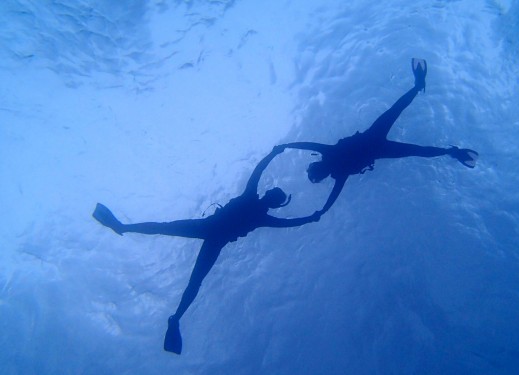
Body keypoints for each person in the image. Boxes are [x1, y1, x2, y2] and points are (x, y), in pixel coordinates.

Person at [92, 146, 320, 355]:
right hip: (212, 233)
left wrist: (309, 216)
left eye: (274, 194)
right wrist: (273, 156)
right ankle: (122, 228)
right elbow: (261, 175)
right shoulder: (258, 210)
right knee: (169, 236)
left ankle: (176, 318)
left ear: (272, 199)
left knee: (190, 272)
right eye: (273, 192)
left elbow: (282, 215)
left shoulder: (259, 211)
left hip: (212, 235)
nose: (270, 193)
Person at [280, 58, 478, 214]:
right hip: (375, 142)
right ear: (318, 168)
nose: (319, 168)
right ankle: (449, 148)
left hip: (376, 145)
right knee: (402, 121)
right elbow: (312, 150)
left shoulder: (335, 165)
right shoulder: (334, 164)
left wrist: (323, 209)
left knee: (413, 144)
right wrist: (288, 145)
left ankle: (450, 150)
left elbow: (332, 191)